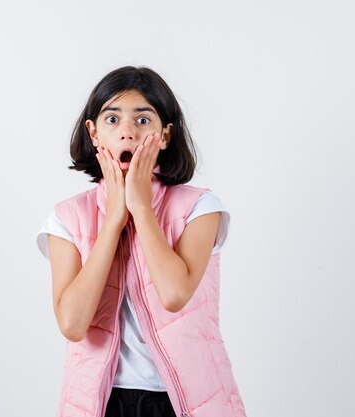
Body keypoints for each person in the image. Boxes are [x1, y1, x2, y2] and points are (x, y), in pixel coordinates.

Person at [36, 66, 247, 417]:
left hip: (186, 402)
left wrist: (141, 209)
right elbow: (72, 324)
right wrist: (113, 220)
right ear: (93, 133)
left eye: (143, 120)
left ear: (165, 135)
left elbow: (174, 294)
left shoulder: (199, 207)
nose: (128, 133)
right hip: (102, 403)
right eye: (112, 119)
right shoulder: (66, 218)